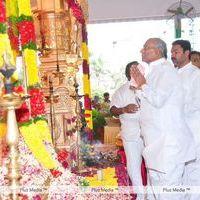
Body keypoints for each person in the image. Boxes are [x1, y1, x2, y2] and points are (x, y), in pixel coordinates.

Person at [131, 38, 196, 200]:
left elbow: (158, 99)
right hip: (155, 143)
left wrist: (142, 84)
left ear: (158, 51)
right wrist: (139, 86)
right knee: (156, 191)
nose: (142, 50)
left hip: (168, 144)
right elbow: (147, 103)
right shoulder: (153, 71)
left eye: (146, 47)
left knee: (169, 191)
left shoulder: (166, 70)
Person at [110, 61, 144, 200]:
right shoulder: (122, 90)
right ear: (128, 73)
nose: (136, 71)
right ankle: (141, 195)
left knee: (154, 164)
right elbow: (112, 109)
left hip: (151, 132)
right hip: (131, 134)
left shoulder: (148, 87)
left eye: (138, 69)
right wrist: (124, 109)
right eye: (132, 69)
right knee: (133, 165)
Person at [171, 40, 200, 200]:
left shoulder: (196, 74)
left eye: (176, 51)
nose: (173, 55)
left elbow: (196, 102)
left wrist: (174, 109)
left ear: (187, 53)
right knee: (180, 171)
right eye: (172, 52)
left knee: (194, 171)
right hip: (176, 131)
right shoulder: (172, 73)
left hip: (193, 129)